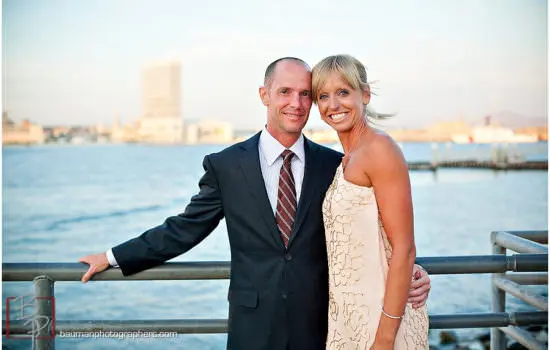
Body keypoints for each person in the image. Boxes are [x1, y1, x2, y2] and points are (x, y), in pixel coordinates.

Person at [78, 57, 431, 350]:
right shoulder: (226, 165)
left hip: (321, 325)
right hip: (253, 328)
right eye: (285, 92)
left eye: (305, 94)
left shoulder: (333, 164)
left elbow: (366, 229)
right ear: (265, 95)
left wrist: (412, 271)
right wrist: (112, 257)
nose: (296, 103)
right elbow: (184, 229)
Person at [311, 54, 429, 349]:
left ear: (364, 94)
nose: (333, 105)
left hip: (382, 324)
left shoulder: (380, 149)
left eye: (343, 92)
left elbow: (404, 246)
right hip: (348, 319)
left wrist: (385, 339)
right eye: (323, 96)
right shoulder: (345, 160)